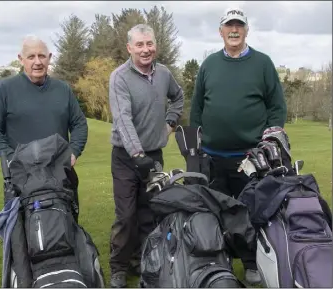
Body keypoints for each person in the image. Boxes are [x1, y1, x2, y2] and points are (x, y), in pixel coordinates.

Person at [190, 7, 287, 286]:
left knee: (249, 212)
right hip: (212, 156)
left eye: (239, 26)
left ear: (246, 30)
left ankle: (250, 262)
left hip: (251, 158)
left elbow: (276, 107)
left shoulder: (263, 63)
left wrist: (270, 138)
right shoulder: (209, 64)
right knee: (215, 213)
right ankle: (218, 264)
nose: (234, 30)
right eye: (229, 26)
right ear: (220, 31)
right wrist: (196, 143)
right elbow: (197, 107)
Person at [108, 24, 184, 288]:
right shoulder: (119, 77)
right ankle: (118, 266)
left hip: (154, 155)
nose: (145, 49)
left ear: (155, 45)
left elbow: (178, 97)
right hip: (126, 158)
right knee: (126, 215)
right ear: (129, 48)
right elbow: (122, 120)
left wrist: (170, 123)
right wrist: (137, 154)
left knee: (150, 213)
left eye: (149, 43)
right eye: (139, 45)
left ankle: (144, 260)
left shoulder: (163, 73)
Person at [0, 35, 88, 221]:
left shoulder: (62, 89)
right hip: (22, 176)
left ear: (49, 58)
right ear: (21, 59)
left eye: (42, 56)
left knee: (65, 228)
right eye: (31, 57)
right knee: (25, 232)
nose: (37, 62)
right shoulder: (6, 88)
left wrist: (74, 151)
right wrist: (11, 158)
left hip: (60, 174)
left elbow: (79, 123)